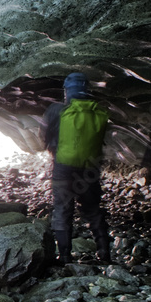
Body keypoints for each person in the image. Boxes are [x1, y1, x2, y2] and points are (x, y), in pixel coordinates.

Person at [41, 72, 110, 264]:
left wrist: (54, 148)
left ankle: (64, 256)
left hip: (64, 168)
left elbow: (44, 136)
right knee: (93, 210)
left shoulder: (56, 110)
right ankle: (104, 253)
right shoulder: (100, 113)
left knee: (63, 210)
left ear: (67, 91)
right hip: (89, 171)